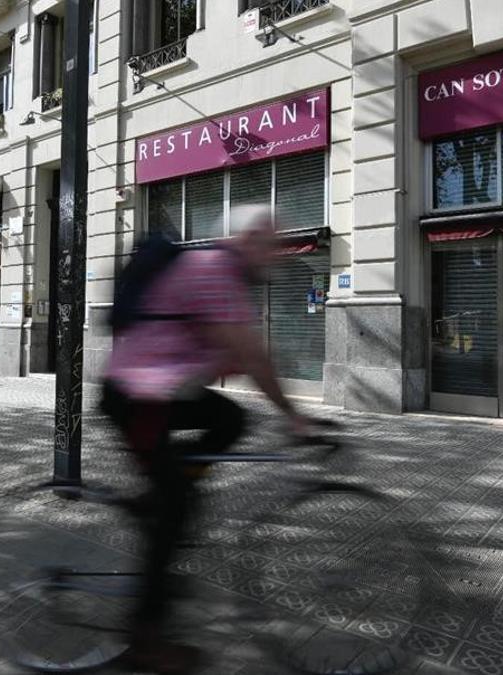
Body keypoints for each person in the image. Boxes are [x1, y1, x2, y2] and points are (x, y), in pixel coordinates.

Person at [99, 205, 308, 673]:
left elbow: (235, 351)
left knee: (231, 419)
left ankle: (165, 485)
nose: (274, 253)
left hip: (165, 390)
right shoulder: (214, 269)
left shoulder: (223, 275)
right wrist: (298, 419)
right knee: (176, 512)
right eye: (269, 242)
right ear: (246, 238)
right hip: (138, 396)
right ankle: (144, 639)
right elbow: (253, 356)